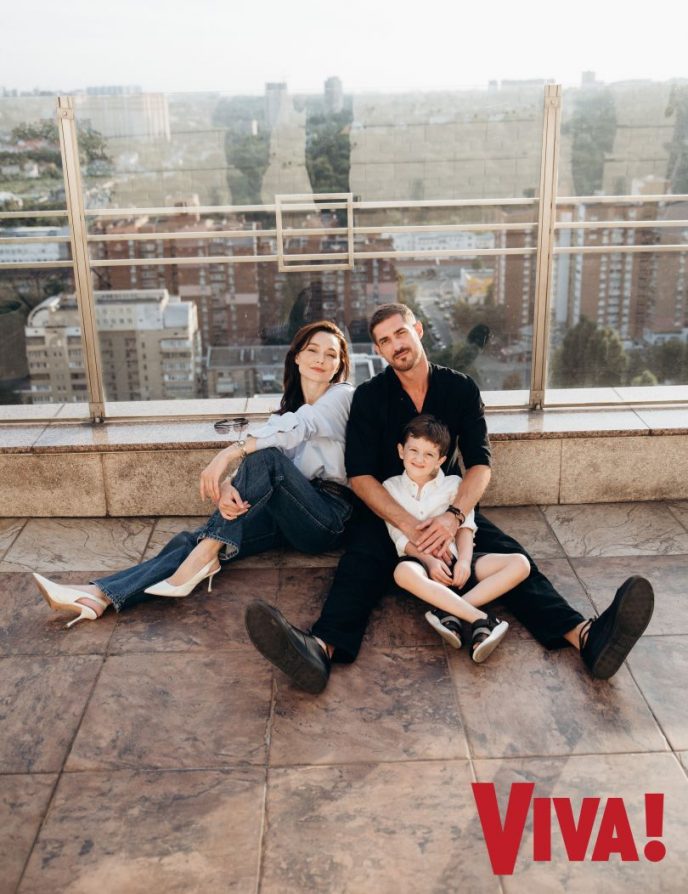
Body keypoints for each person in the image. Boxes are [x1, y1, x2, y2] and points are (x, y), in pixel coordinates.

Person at [245, 303, 654, 693]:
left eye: (400, 333)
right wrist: (410, 527)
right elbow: (361, 476)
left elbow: (480, 464)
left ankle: (586, 637)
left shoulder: (460, 388)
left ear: (418, 330)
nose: (395, 345)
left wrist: (453, 517)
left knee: (512, 557)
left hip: (446, 502)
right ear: (380, 350)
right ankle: (320, 651)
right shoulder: (370, 396)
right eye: (385, 341)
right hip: (388, 506)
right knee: (360, 565)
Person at [33, 321, 355, 627]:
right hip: (287, 516)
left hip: (327, 517)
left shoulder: (341, 397)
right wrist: (229, 485)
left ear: (339, 364)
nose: (321, 359)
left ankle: (203, 557)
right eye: (313, 350)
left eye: (331, 354)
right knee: (193, 540)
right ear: (297, 356)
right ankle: (99, 596)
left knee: (258, 468)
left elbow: (295, 433)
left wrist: (227, 454)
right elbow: (261, 459)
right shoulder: (286, 413)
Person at [384, 413, 530, 663]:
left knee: (520, 563)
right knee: (401, 573)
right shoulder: (390, 487)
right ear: (401, 451)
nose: (419, 459)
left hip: (457, 559)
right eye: (413, 450)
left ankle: (448, 612)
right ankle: (481, 620)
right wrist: (429, 561)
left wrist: (463, 561)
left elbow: (466, 527)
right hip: (421, 564)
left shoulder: (453, 484)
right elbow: (398, 535)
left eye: (429, 454)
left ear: (440, 460)